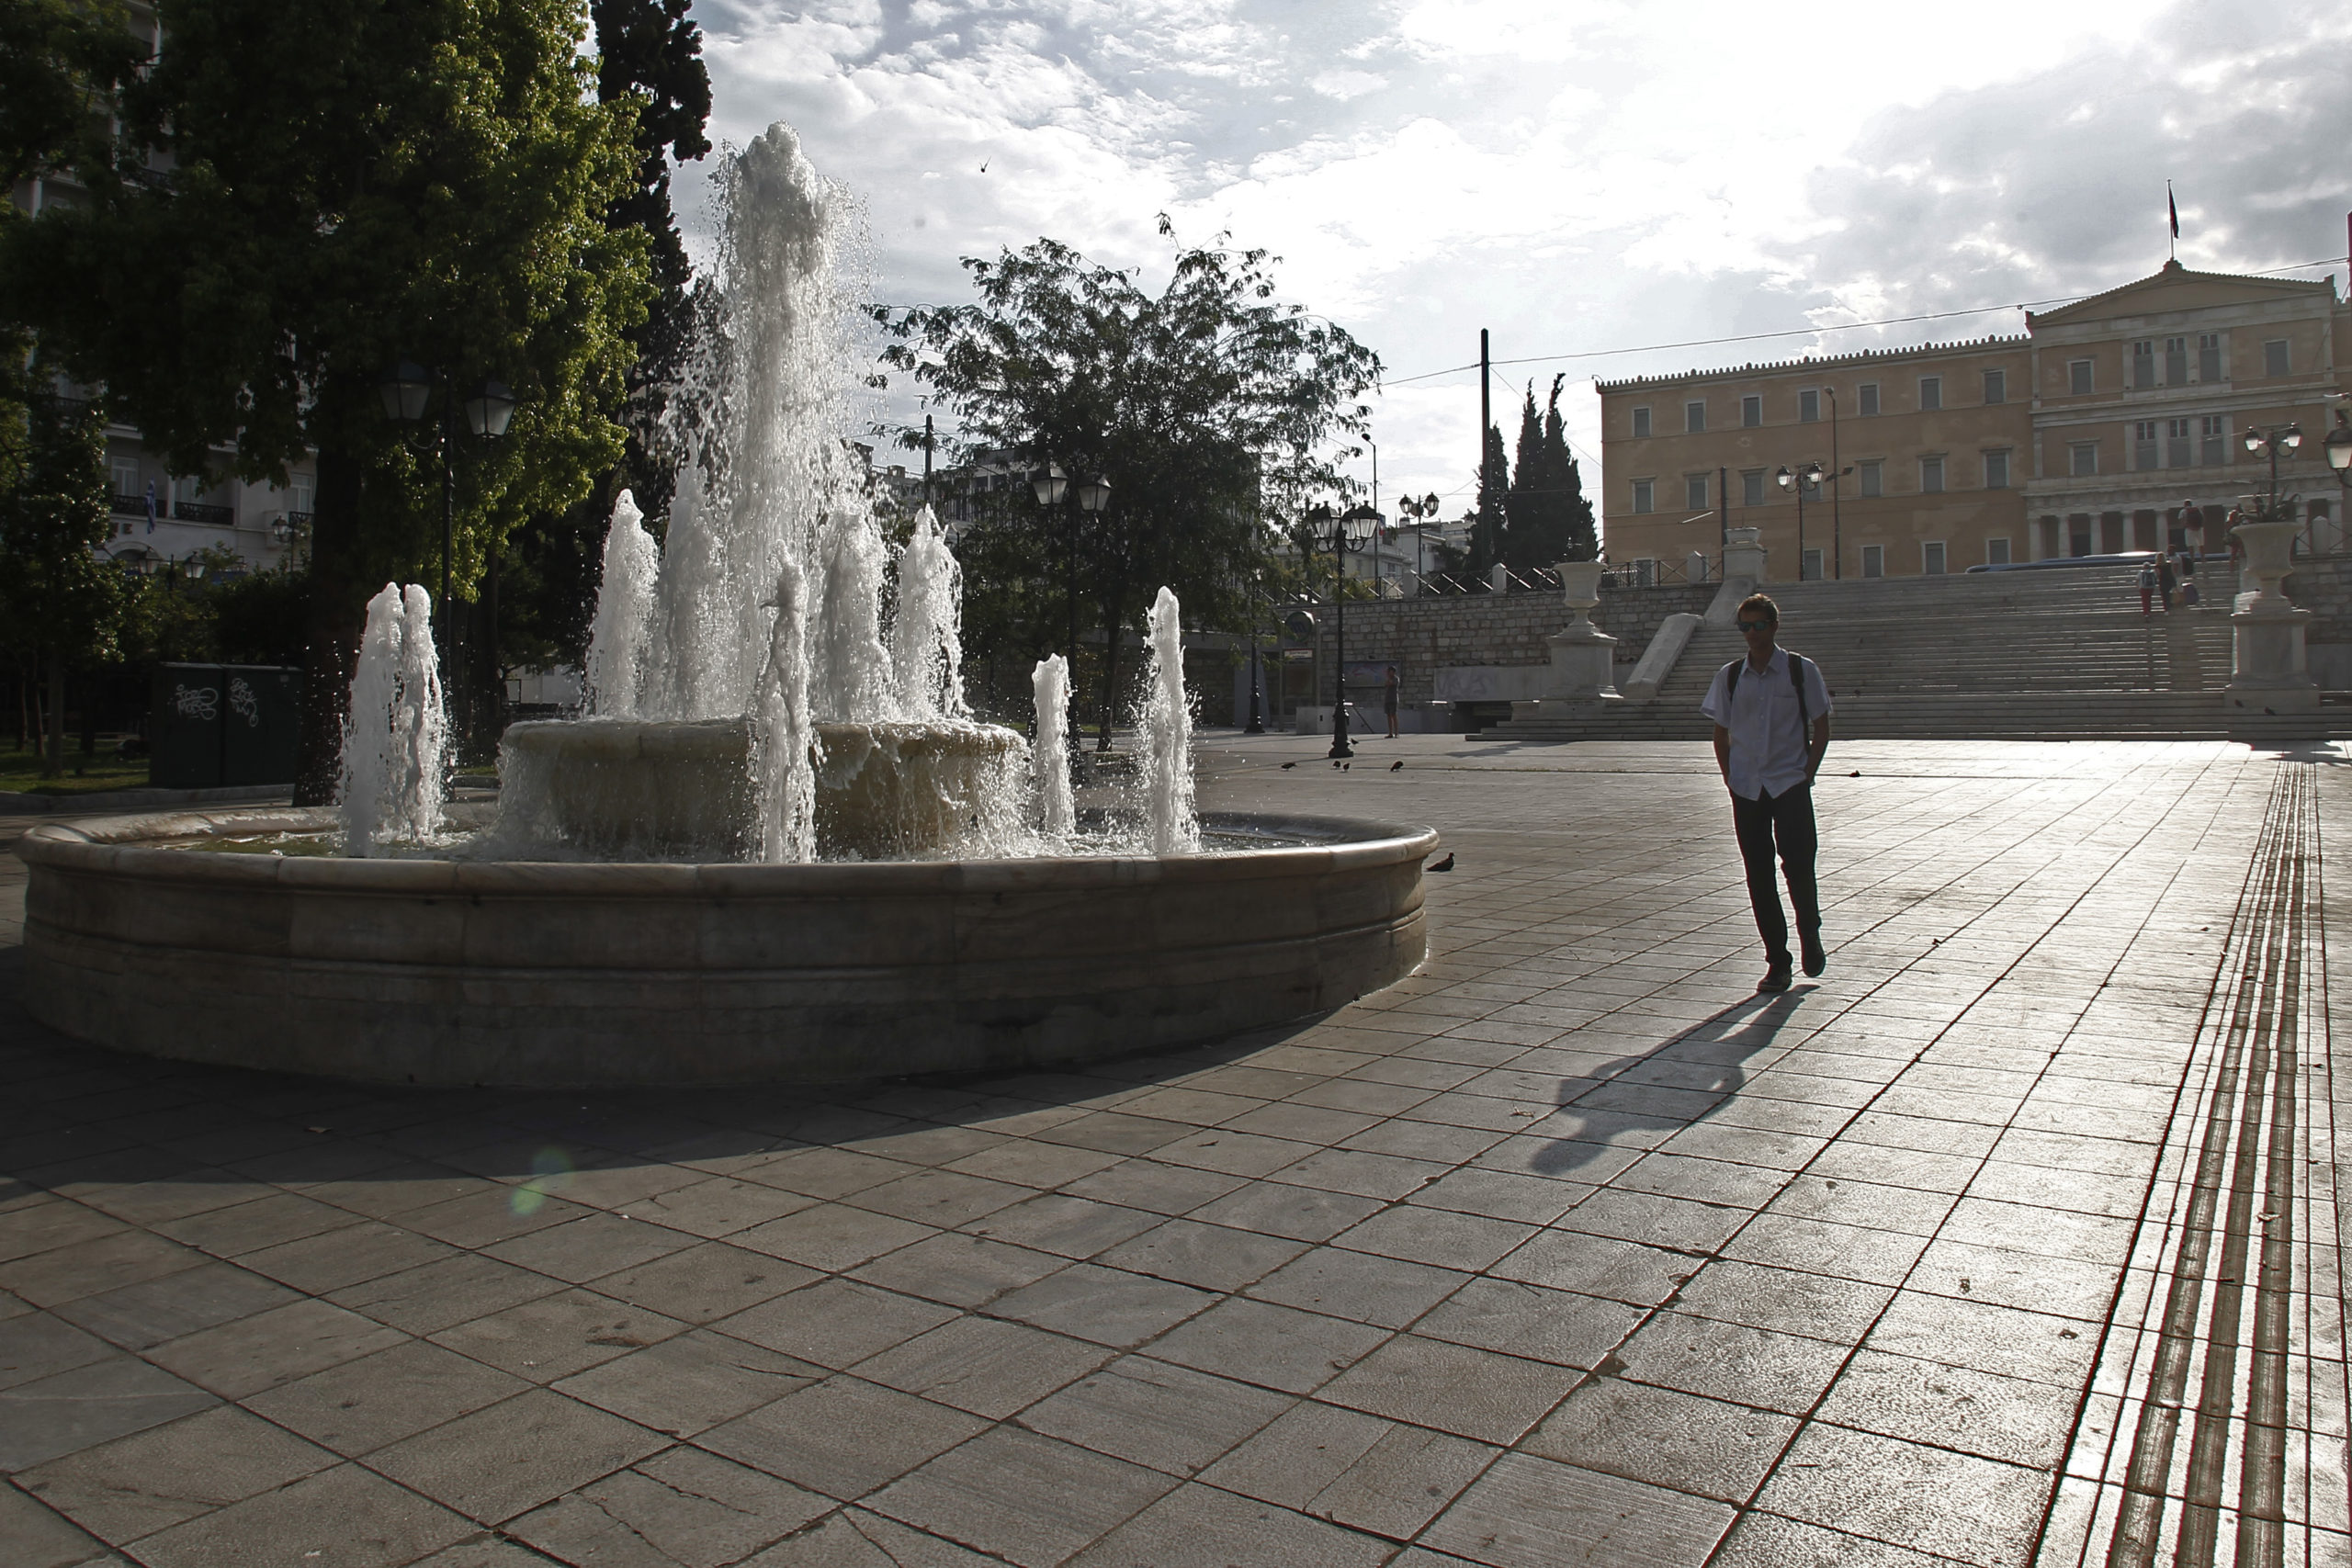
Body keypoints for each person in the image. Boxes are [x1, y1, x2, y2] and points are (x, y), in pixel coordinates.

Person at [1701, 593, 1833, 993]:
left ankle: (1809, 931)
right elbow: (1720, 732)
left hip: (1789, 782)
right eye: (1745, 627)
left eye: (1759, 625)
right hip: (1747, 787)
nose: (1752, 634)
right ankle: (1778, 961)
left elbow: (1821, 725)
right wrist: (1729, 776)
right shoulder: (1730, 676)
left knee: (1799, 866)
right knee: (1758, 875)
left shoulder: (1799, 670)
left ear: (1774, 626)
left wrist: (1807, 772)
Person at [1383, 666, 1400, 739]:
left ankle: (1396, 733)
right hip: (1387, 699)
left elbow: (1391, 683)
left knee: (1394, 715)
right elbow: (1385, 685)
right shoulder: (1387, 679)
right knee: (1388, 716)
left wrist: (1389, 681)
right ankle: (1390, 733)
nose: (1389, 673)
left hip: (1393, 699)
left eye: (1390, 671)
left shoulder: (1396, 679)